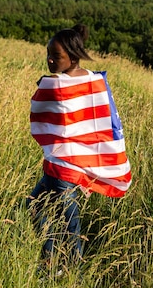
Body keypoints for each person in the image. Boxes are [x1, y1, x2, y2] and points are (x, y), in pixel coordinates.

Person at [27, 24, 132, 272]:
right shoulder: (95, 81)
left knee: (64, 223)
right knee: (47, 213)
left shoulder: (54, 84)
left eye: (56, 56)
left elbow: (40, 106)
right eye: (48, 54)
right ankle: (53, 263)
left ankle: (65, 270)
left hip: (61, 170)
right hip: (77, 169)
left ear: (73, 57)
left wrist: (44, 82)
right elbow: (105, 125)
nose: (50, 60)